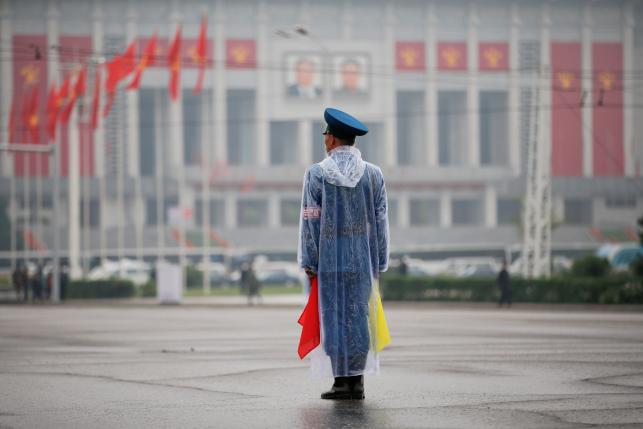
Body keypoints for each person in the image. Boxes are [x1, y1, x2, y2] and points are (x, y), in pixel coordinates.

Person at [298, 107, 390, 400]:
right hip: (362, 260)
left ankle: (341, 381)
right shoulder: (373, 175)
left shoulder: (316, 174)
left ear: (333, 139)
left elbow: (310, 219)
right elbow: (381, 220)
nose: (324, 138)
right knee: (360, 316)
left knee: (334, 317)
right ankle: (357, 381)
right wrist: (381, 259)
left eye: (326, 134)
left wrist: (310, 260)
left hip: (329, 259)